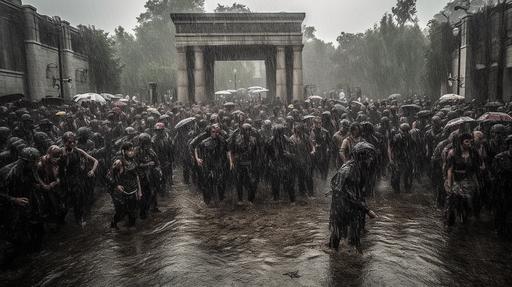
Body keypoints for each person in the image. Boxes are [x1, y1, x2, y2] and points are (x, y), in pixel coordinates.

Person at [329, 142, 377, 252]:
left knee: (355, 230)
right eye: (368, 156)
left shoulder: (360, 167)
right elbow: (346, 194)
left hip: (352, 205)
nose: (371, 159)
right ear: (361, 157)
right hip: (341, 206)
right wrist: (367, 210)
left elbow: (357, 190)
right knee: (338, 231)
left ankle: (356, 254)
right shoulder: (348, 170)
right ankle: (333, 255)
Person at [59, 132, 98, 226]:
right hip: (64, 180)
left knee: (79, 199)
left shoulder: (77, 150)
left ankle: (79, 218)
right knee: (63, 202)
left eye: (73, 141)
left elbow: (95, 160)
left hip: (77, 179)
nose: (72, 144)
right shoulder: (60, 152)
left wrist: (92, 170)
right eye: (69, 142)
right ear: (64, 142)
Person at [445, 133, 482, 226]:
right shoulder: (453, 153)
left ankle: (467, 220)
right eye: (466, 141)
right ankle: (449, 222)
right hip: (456, 180)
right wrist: (450, 185)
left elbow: (477, 168)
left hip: (469, 181)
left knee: (469, 202)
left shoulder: (473, 152)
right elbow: (450, 170)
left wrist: (477, 182)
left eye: (470, 141)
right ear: (461, 142)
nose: (469, 143)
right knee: (452, 202)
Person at [107, 142, 142, 229]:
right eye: (129, 150)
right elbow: (109, 175)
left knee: (133, 212)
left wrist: (139, 191)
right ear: (124, 151)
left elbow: (136, 176)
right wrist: (117, 185)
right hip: (122, 192)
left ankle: (130, 232)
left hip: (133, 190)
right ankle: (114, 224)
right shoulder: (119, 162)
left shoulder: (133, 161)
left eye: (132, 150)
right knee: (121, 212)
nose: (131, 152)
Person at [196, 124, 228, 205]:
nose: (215, 133)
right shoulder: (205, 142)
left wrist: (228, 161)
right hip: (208, 165)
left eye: (217, 132)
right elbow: (196, 148)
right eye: (213, 132)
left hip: (218, 164)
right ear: (210, 132)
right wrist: (198, 159)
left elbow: (227, 150)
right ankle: (207, 200)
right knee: (207, 183)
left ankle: (220, 198)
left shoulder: (222, 141)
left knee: (220, 182)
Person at [228, 123, 259, 204]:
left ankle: (250, 199)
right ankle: (240, 199)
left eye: (249, 130)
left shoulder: (253, 140)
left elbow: (256, 152)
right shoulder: (237, 139)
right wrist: (232, 161)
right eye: (246, 130)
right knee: (239, 182)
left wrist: (255, 162)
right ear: (242, 131)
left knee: (251, 182)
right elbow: (231, 151)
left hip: (250, 164)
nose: (248, 132)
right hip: (239, 164)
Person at [266, 125, 295, 202]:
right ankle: (276, 198)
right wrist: (270, 160)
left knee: (289, 182)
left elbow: (294, 152)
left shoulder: (286, 140)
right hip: (276, 163)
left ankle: (292, 199)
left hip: (285, 163)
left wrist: (288, 154)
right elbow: (268, 153)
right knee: (275, 182)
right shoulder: (271, 141)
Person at [135, 133, 162, 219]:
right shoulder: (136, 151)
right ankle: (143, 213)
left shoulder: (151, 151)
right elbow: (135, 165)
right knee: (143, 195)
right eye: (145, 143)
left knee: (153, 192)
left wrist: (158, 170)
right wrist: (147, 164)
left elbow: (157, 162)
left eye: (147, 143)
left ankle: (154, 208)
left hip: (152, 177)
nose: (146, 145)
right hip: (141, 177)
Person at [492, 135, 512, 237]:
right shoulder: (500, 157)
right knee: (501, 210)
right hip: (502, 188)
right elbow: (495, 173)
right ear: (509, 145)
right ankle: (500, 229)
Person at [389, 123, 414, 193]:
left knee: (407, 174)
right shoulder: (396, 137)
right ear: (400, 130)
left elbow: (413, 148)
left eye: (407, 131)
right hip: (398, 158)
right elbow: (391, 149)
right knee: (396, 175)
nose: (405, 132)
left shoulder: (410, 137)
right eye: (403, 131)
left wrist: (412, 158)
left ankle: (407, 188)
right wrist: (391, 159)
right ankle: (396, 189)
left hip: (407, 158)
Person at [152, 122, 174, 195]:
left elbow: (170, 150)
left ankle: (163, 188)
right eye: (157, 131)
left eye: (160, 131)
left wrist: (171, 159)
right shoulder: (153, 140)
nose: (159, 132)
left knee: (165, 176)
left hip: (165, 160)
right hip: (157, 161)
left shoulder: (166, 138)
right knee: (157, 177)